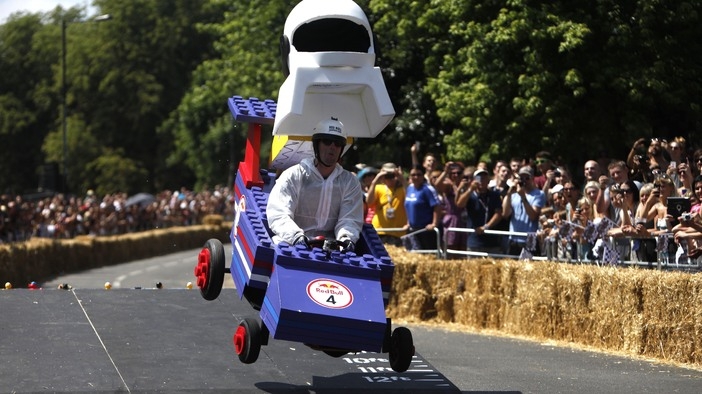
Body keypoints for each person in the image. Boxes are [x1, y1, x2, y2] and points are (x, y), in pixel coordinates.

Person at [266, 117, 362, 252]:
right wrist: (296, 237)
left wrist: (347, 238)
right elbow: (278, 213)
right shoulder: (294, 175)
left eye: (338, 143)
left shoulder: (350, 182)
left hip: (331, 251)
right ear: (316, 145)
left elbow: (350, 219)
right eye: (327, 141)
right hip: (290, 246)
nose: (332, 147)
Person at [457, 167, 503, 254]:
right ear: (474, 180)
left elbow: (499, 214)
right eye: (479, 178)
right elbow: (460, 204)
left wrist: (486, 226)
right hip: (474, 241)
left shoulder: (494, 195)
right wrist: (470, 189)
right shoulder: (470, 195)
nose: (481, 180)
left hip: (492, 241)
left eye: (484, 178)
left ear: (489, 181)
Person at [502, 166, 546, 255]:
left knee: (529, 267)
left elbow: (533, 216)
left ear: (532, 179)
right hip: (513, 238)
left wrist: (523, 196)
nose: (524, 180)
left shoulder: (539, 194)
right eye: (521, 178)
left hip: (530, 238)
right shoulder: (514, 194)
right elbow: (505, 214)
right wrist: (509, 194)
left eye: (527, 178)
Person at [366, 162, 407, 246]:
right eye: (387, 176)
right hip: (380, 230)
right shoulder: (378, 187)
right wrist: (375, 180)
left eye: (392, 175)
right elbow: (369, 202)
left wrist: (402, 179)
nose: (390, 178)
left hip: (397, 231)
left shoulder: (402, 188)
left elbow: (409, 200)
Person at [404, 164, 441, 250]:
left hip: (426, 230)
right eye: (413, 175)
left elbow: (437, 206)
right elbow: (409, 206)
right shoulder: (409, 188)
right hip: (412, 230)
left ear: (423, 175)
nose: (416, 177)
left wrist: (434, 223)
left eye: (418, 175)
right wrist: (408, 222)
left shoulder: (428, 189)